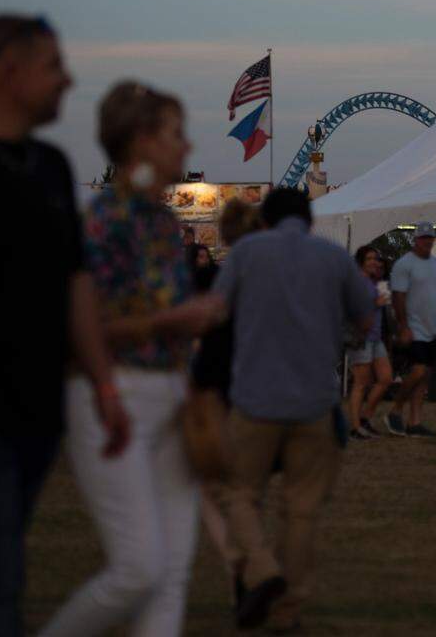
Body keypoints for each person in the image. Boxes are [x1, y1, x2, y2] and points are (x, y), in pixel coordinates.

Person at [42, 81, 226, 637]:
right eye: (176, 135)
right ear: (141, 141)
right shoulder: (103, 221)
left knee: (170, 573)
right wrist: (172, 322)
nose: (186, 148)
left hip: (167, 392)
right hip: (111, 392)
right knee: (138, 568)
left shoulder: (161, 225)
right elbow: (81, 328)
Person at [0, 14, 128, 637]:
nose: (68, 81)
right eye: (53, 66)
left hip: (36, 413)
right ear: (8, 71)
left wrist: (104, 386)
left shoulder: (53, 168)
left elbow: (76, 283)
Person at [213, 187, 372, 632]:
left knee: (239, 494)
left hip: (254, 400)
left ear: (266, 219)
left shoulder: (246, 254)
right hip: (315, 403)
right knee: (301, 509)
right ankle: (288, 611)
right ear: (308, 218)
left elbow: (216, 311)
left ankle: (263, 572)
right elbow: (365, 319)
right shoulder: (334, 257)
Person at [191, 198, 262, 603]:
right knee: (246, 490)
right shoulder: (264, 275)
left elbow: (212, 334)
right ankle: (249, 563)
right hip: (258, 391)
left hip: (220, 388)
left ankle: (239, 562)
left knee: (212, 488)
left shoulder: (227, 276)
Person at [386, 222, 436, 438]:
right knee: (418, 370)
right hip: (414, 327)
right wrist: (403, 327)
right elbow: (398, 297)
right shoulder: (404, 265)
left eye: (430, 237)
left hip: (435, 328)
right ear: (416, 240)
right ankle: (395, 409)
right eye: (423, 238)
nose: (427, 241)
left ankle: (415, 422)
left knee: (424, 376)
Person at [348, 245, 394, 440]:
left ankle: (365, 418)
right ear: (361, 262)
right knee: (361, 383)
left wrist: (382, 279)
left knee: (385, 379)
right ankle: (355, 427)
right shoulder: (356, 282)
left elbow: (387, 304)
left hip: (376, 337)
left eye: (376, 259)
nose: (374, 262)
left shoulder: (377, 282)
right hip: (361, 337)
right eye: (370, 259)